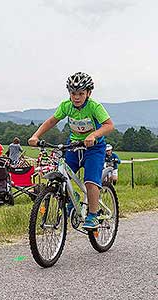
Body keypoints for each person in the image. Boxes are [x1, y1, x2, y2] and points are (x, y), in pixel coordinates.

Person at [28, 71, 114, 230]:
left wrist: (94, 135)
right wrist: (35, 136)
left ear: (88, 93)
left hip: (94, 148)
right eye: (73, 93)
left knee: (90, 181)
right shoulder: (66, 106)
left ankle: (93, 215)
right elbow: (52, 121)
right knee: (62, 175)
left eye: (81, 93)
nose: (76, 97)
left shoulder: (94, 107)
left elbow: (109, 125)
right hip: (74, 146)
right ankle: (71, 198)